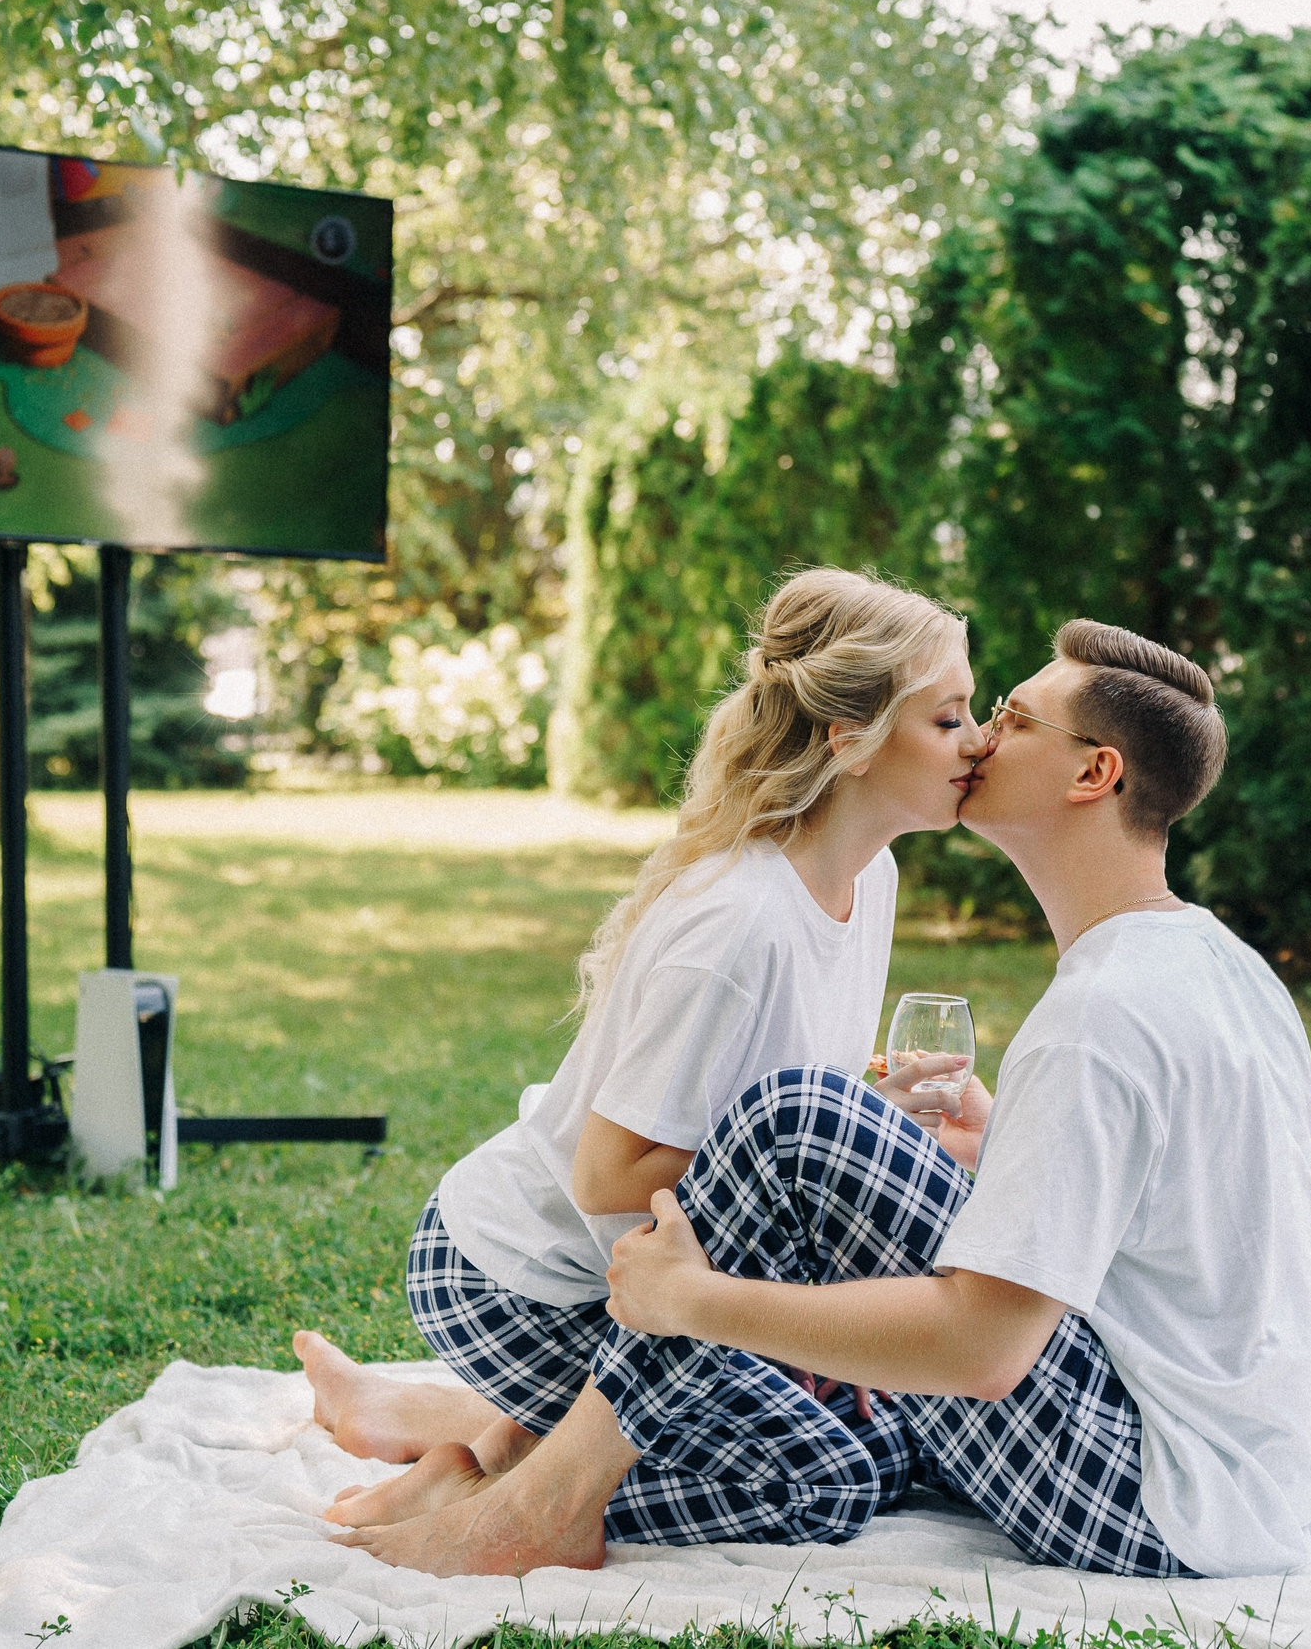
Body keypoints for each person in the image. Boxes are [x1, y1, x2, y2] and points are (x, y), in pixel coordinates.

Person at [335, 619, 1311, 1581]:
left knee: (800, 1139)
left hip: (1155, 1493)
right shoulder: (1217, 964)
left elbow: (984, 1353)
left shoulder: (1101, 1012)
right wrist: (1006, 1146)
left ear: (1093, 773)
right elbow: (1186, 1220)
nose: (985, 736)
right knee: (839, 1381)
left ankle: (530, 1494)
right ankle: (492, 1451)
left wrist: (693, 1300)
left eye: (1016, 720)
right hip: (1245, 1480)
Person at [294, 568, 988, 1539]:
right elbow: (607, 1171)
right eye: (948, 719)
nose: (979, 742)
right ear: (850, 739)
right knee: (825, 1480)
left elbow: (764, 1098)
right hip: (531, 1276)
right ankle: (487, 1491)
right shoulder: (737, 926)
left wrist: (869, 1105)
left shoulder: (869, 880)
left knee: (884, 1435)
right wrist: (846, 1141)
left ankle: (448, 1426)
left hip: (652, 1273)